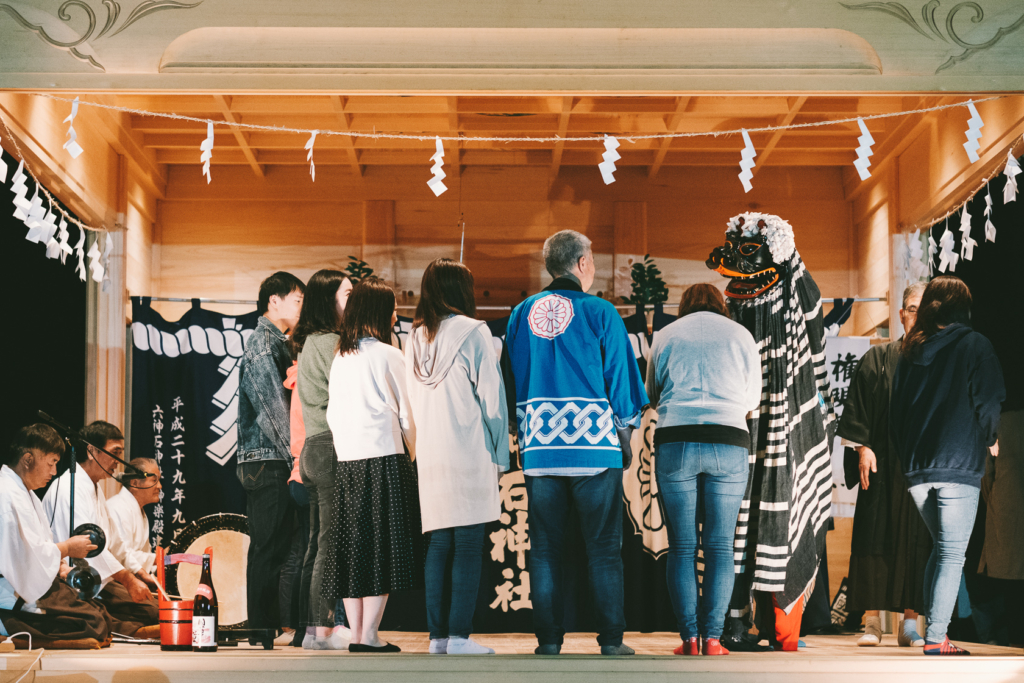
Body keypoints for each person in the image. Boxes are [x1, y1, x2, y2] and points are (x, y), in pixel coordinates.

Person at [506, 229, 648, 656]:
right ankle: (611, 640)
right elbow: (622, 385)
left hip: (540, 447)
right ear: (583, 263)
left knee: (545, 548)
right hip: (594, 447)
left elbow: (511, 381)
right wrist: (624, 434)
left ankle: (548, 641)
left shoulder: (519, 314)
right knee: (603, 550)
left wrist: (524, 431)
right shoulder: (601, 313)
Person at [890, 275, 1005, 655]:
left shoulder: (910, 349)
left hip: (918, 469)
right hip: (958, 465)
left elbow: (896, 412)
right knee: (953, 554)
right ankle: (938, 638)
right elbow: (988, 400)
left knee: (942, 548)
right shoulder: (976, 345)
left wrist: (907, 455)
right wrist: (990, 437)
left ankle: (932, 632)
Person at [646, 283, 760, 656]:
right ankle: (713, 639)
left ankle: (689, 638)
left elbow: (653, 392)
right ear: (721, 305)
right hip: (728, 440)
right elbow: (751, 399)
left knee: (681, 546)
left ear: (685, 306)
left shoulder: (666, 334)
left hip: (675, 438)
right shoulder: (740, 334)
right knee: (719, 547)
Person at [406, 258, 509, 656]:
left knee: (438, 545)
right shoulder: (474, 331)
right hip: (469, 449)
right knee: (467, 545)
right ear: (461, 290)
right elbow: (493, 402)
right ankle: (461, 637)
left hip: (430, 454)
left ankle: (438, 639)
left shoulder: (413, 338)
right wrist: (502, 454)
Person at [324, 276, 422, 653]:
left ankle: (357, 632)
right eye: (393, 307)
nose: (396, 313)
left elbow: (333, 415)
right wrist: (410, 453)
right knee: (383, 547)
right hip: (385, 458)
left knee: (352, 549)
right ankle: (369, 635)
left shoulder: (341, 357)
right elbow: (408, 417)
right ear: (381, 313)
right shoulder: (389, 354)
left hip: (348, 462)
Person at [837, 283, 931, 648]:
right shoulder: (876, 359)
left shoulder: (936, 365)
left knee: (916, 540)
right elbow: (857, 408)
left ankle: (910, 622)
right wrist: (863, 447)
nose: (916, 314)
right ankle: (872, 620)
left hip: (919, 466)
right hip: (879, 462)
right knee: (873, 536)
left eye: (924, 308)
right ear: (901, 314)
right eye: (911, 307)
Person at [237, 271, 305, 645]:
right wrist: (296, 458)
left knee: (277, 546)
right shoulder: (263, 345)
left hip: (270, 458)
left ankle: (268, 627)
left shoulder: (277, 342)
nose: (301, 307)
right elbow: (273, 412)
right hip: (268, 459)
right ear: (273, 301)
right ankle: (260, 628)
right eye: (297, 300)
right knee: (268, 546)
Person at [1, 424, 111, 648]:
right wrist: (68, 548)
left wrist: (60, 567)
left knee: (99, 611)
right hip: (14, 591)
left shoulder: (25, 493)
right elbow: (23, 556)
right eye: (51, 462)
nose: (54, 472)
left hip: (35, 582)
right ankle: (13, 630)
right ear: (28, 459)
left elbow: (39, 545)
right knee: (92, 621)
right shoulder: (6, 495)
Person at [43, 421, 159, 631]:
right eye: (115, 452)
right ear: (91, 451)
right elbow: (90, 547)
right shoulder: (71, 486)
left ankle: (127, 628)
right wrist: (128, 580)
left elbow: (114, 543)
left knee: (155, 607)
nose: (118, 461)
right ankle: (129, 631)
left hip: (99, 578)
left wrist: (138, 573)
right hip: (72, 580)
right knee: (151, 612)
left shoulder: (94, 488)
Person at [291, 269, 352, 650]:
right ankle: (323, 629)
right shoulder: (331, 341)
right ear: (329, 299)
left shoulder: (310, 341)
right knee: (330, 543)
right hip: (331, 447)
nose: (353, 301)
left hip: (313, 448)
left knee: (317, 543)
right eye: (348, 294)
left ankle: (312, 629)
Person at [105, 458, 162, 577]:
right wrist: (159, 558)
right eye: (154, 480)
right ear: (135, 483)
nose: (159, 486)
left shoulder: (138, 510)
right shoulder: (117, 507)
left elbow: (141, 555)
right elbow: (121, 555)